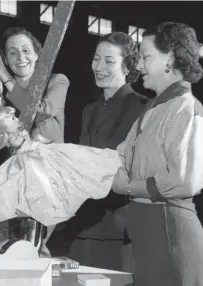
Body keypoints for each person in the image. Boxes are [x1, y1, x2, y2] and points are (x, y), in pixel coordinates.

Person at [112, 22, 203, 286]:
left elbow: (184, 180)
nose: (139, 64)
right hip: (149, 237)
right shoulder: (154, 109)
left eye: (146, 56)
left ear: (169, 58)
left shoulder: (187, 109)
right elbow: (121, 156)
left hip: (171, 236)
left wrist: (128, 186)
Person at [49, 32, 147, 271]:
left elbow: (114, 162)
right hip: (84, 222)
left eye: (109, 61)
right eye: (96, 58)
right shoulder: (89, 110)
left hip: (116, 223)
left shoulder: (141, 106)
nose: (99, 66)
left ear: (128, 66)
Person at [0, 106, 121, 254]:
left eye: (14, 117)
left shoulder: (22, 132)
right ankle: (26, 249)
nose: (16, 119)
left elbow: (30, 145)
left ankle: (34, 247)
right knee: (24, 208)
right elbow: (11, 148)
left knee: (39, 206)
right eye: (12, 119)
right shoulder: (11, 137)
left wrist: (30, 145)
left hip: (34, 165)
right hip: (25, 168)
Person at [0, 26, 70, 255]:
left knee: (34, 246)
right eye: (12, 52)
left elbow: (42, 110)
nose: (20, 57)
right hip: (14, 178)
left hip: (47, 177)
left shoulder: (57, 81)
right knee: (9, 249)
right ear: (5, 58)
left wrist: (4, 75)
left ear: (37, 54)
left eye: (25, 50)